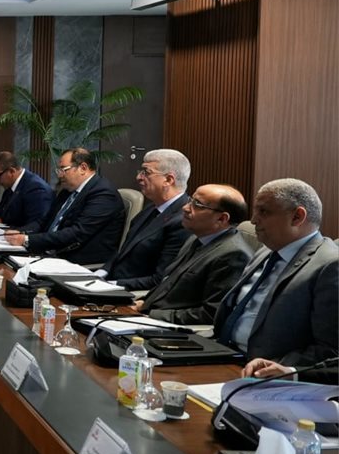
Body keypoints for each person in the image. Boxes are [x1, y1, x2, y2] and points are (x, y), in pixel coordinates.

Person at [214, 178, 337, 369]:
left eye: (263, 212)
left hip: (265, 371)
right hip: (221, 353)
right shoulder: (266, 251)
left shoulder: (330, 265)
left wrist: (282, 369)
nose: (253, 220)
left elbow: (331, 351)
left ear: (297, 217)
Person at [140, 184, 252, 325]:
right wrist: (142, 304)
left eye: (197, 205)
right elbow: (168, 284)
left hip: (173, 327)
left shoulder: (233, 255)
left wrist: (151, 315)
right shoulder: (196, 238)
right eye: (191, 201)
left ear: (222, 219)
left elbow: (211, 314)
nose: (185, 208)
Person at [4, 148, 124, 265]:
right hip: (50, 252)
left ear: (83, 168)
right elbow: (44, 222)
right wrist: (21, 232)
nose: (60, 175)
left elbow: (76, 233)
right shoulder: (68, 190)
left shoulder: (103, 194)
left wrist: (27, 240)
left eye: (64, 169)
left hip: (76, 260)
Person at [99, 149, 192, 290]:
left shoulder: (182, 221)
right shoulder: (151, 208)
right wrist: (101, 273)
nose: (139, 177)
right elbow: (124, 252)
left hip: (133, 294)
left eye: (146, 173)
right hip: (109, 283)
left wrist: (111, 285)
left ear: (168, 180)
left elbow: (160, 279)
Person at [0, 151, 52, 229]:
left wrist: (8, 229)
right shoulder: (11, 186)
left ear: (12, 171)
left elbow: (35, 225)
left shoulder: (36, 189)